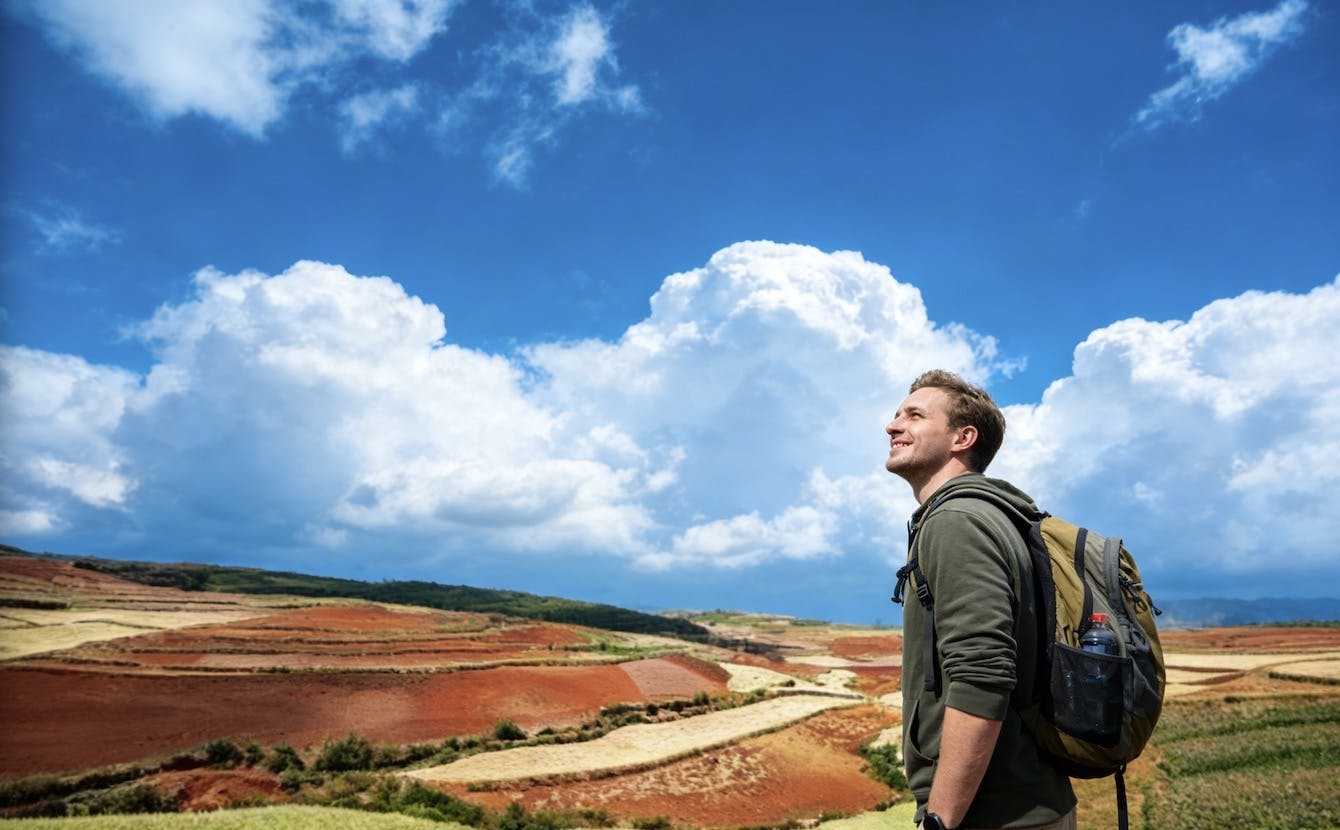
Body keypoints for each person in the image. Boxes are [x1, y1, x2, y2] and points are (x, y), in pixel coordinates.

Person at [885, 370, 1076, 830]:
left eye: (914, 415)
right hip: (1028, 801)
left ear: (962, 438)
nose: (892, 426)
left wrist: (941, 819)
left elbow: (982, 673)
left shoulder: (957, 522)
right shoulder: (1002, 518)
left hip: (991, 815)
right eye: (896, 414)